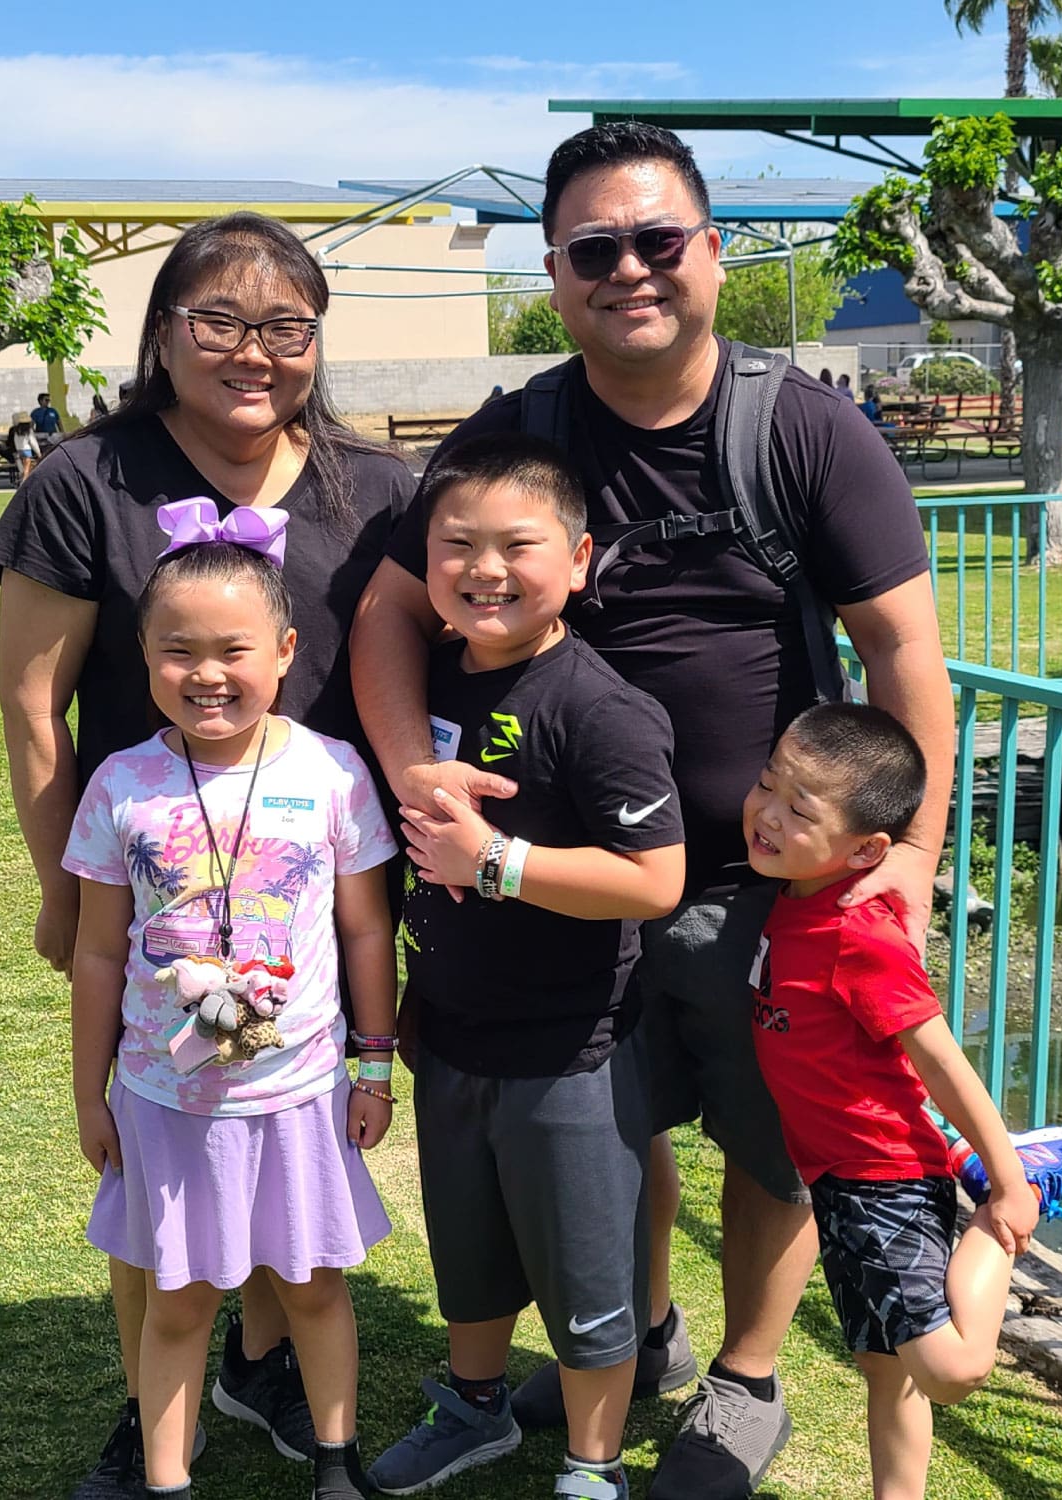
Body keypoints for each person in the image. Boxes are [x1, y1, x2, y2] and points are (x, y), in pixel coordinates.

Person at [349, 120, 954, 1500]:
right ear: (556, 276)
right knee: (612, 1127)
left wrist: (908, 859)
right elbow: (389, 608)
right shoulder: (519, 437)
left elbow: (905, 660)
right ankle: (645, 1340)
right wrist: (412, 769)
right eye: (594, 250)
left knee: (771, 1144)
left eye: (657, 241)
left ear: (713, 256)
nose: (630, 270)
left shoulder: (805, 428)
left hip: (763, 889)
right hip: (567, 878)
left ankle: (745, 1378)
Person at [0, 210, 416, 1498]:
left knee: (286, 1131)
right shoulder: (84, 480)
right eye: (219, 321)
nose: (254, 352)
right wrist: (68, 895)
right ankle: (148, 1402)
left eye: (285, 327)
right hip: (157, 878)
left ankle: (266, 1359)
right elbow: (31, 709)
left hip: (315, 871)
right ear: (164, 332)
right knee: (166, 1145)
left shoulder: (371, 487)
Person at [367, 433, 685, 1500]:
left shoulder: (599, 707)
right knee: (468, 1249)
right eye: (456, 543)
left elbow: (654, 880)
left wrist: (494, 863)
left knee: (588, 1274)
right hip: (454, 1034)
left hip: (570, 1053)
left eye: (518, 544)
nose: (483, 568)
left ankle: (594, 1467)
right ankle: (474, 1406)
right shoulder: (440, 680)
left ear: (581, 558)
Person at [65, 512, 398, 1500]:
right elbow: (93, 951)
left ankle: (337, 1464)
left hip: (298, 1095)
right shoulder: (121, 785)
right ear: (144, 658)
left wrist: (373, 1065)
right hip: (168, 1103)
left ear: (286, 652)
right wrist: (92, 1095)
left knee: (314, 1286)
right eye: (178, 651)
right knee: (178, 1300)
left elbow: (367, 930)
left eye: (233, 650)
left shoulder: (331, 772)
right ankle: (166, 1477)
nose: (208, 674)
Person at [743, 701, 1062, 1500]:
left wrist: (1009, 1181)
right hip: (837, 1179)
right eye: (768, 784)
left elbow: (943, 1063)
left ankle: (1030, 1178)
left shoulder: (859, 936)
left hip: (882, 1174)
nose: (767, 814)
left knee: (948, 1368)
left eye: (798, 809)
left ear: (866, 850)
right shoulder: (796, 889)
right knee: (886, 1367)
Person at [6, 410, 40, 479]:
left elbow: (14, 442)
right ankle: (24, 482)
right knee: (26, 469)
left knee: (22, 469)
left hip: (19, 450)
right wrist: (38, 453)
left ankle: (22, 480)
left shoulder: (15, 430)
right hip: (26, 450)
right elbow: (33, 443)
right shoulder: (28, 430)